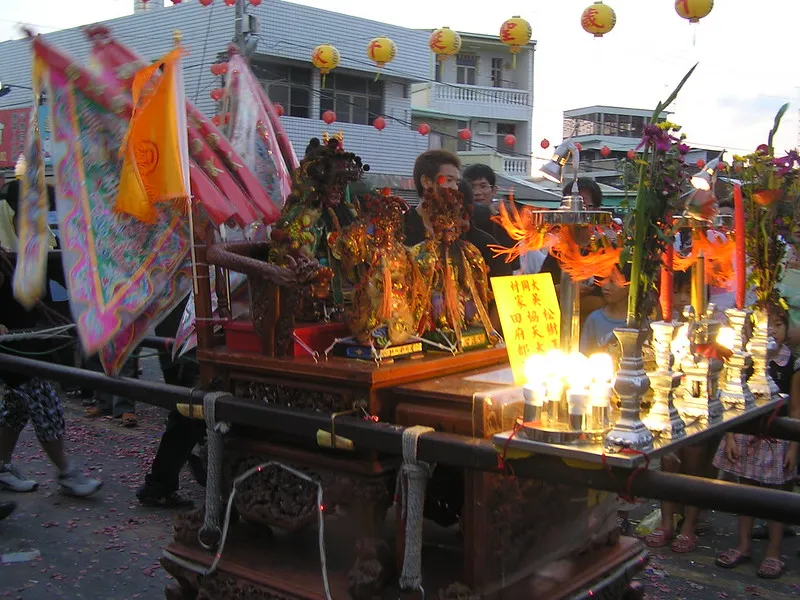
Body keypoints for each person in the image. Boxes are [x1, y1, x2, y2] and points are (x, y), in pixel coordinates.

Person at [711, 306, 799, 579]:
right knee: (745, 494)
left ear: (787, 330)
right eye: (763, 323)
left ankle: (773, 551)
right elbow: (732, 401)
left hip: (778, 440)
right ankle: (744, 544)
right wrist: (730, 435)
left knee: (775, 498)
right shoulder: (743, 361)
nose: (770, 329)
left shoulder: (791, 364)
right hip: (747, 437)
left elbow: (796, 409)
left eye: (777, 324)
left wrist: (794, 446)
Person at [136, 298, 205, 508]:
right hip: (186, 347)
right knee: (187, 417)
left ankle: (164, 481)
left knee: (189, 418)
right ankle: (159, 485)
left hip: (184, 345)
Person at [404, 150, 514, 278]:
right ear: (426, 181)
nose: (455, 188)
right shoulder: (400, 230)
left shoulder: (476, 241)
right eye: (449, 180)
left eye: (457, 182)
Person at [462, 163, 521, 274]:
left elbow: (513, 267)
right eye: (471, 187)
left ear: (494, 190)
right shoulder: (458, 223)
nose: (477, 192)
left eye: (483, 186)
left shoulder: (507, 226)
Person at [579, 267, 629, 356]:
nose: (606, 287)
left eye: (613, 282)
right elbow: (584, 354)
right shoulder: (594, 319)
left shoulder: (642, 322)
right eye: (603, 281)